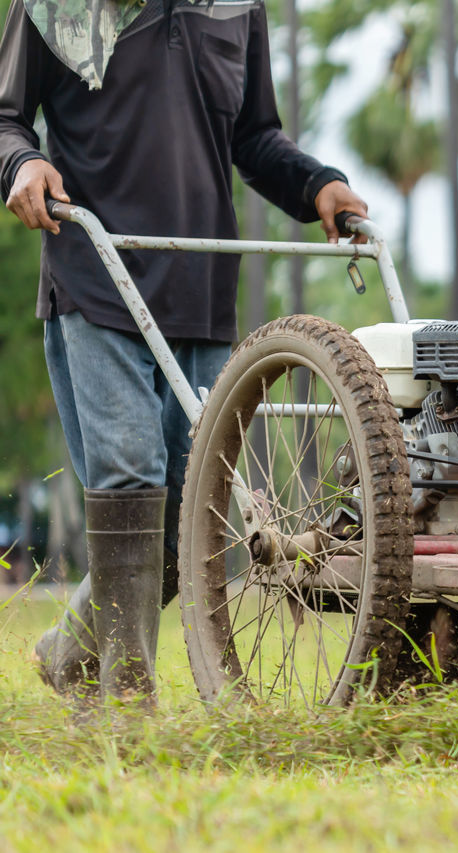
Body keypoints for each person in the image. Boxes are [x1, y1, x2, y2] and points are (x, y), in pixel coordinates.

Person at [0, 0, 369, 707]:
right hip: (96, 271)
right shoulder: (51, 6)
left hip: (200, 285)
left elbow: (254, 136)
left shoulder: (236, 9)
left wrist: (316, 182)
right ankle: (124, 705)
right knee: (131, 474)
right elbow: (5, 115)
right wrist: (22, 161)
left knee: (193, 509)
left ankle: (70, 652)